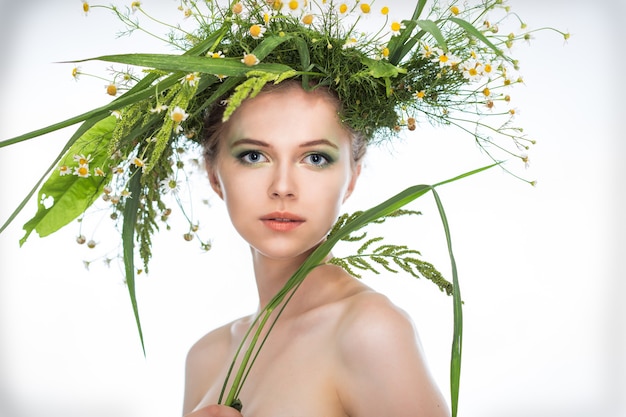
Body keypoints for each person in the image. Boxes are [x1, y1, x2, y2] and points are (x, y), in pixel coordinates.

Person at [181, 81, 450, 417]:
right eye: (254, 156)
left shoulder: (370, 331)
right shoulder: (207, 356)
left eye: (315, 158)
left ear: (352, 177)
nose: (282, 187)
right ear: (214, 175)